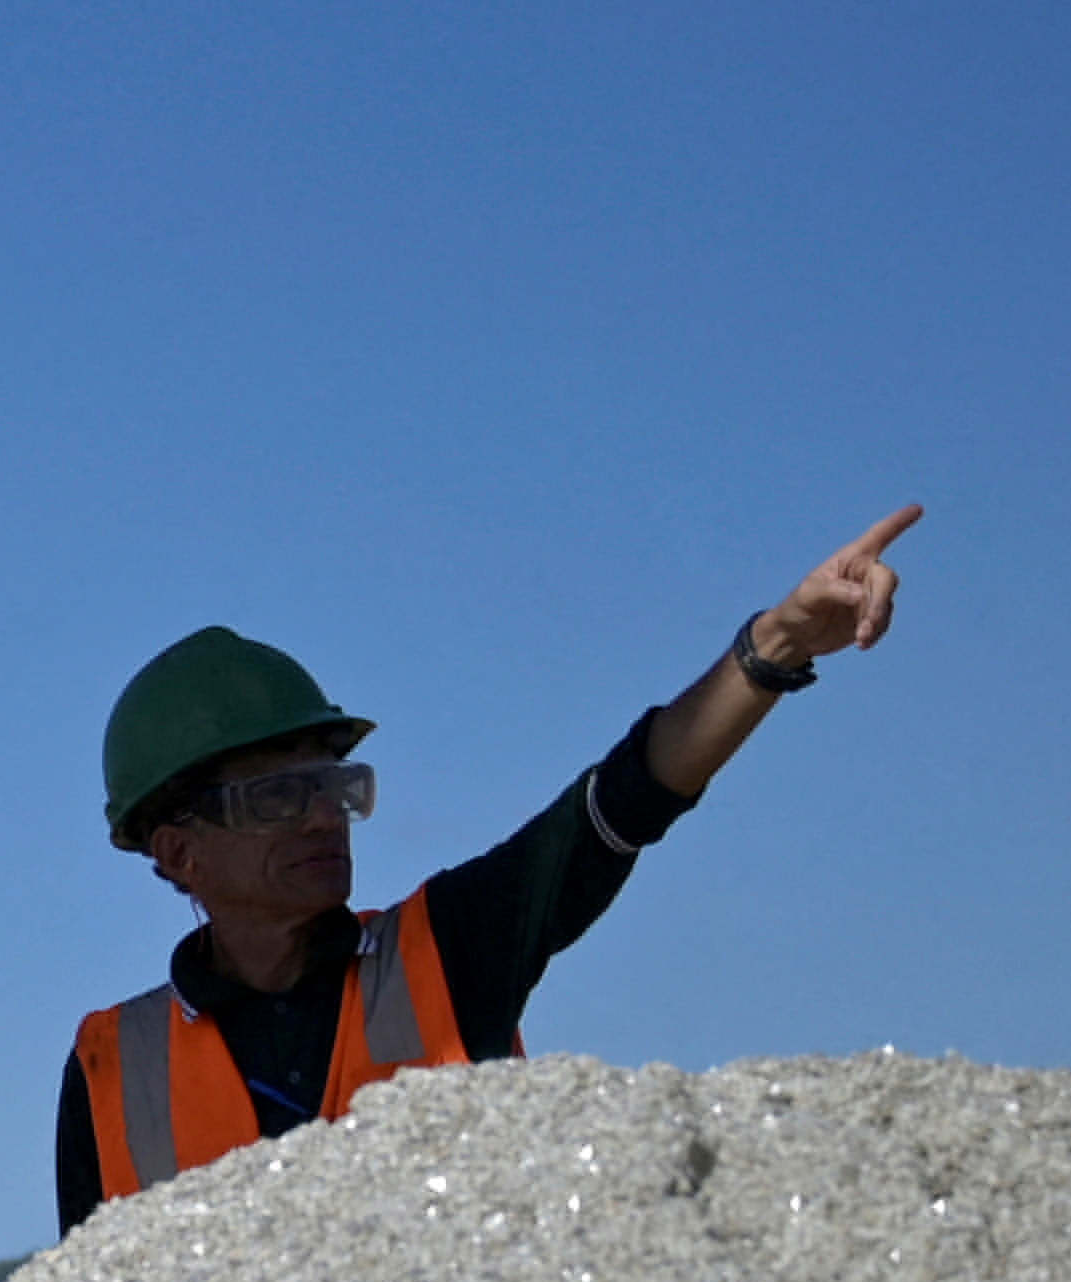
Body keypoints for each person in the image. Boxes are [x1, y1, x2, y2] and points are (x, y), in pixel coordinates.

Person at [60, 510, 920, 1230]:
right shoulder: (111, 1066)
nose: (326, 815)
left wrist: (773, 646)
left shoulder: (450, 947)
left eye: (337, 785)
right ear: (179, 852)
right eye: (282, 797)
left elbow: (623, 798)